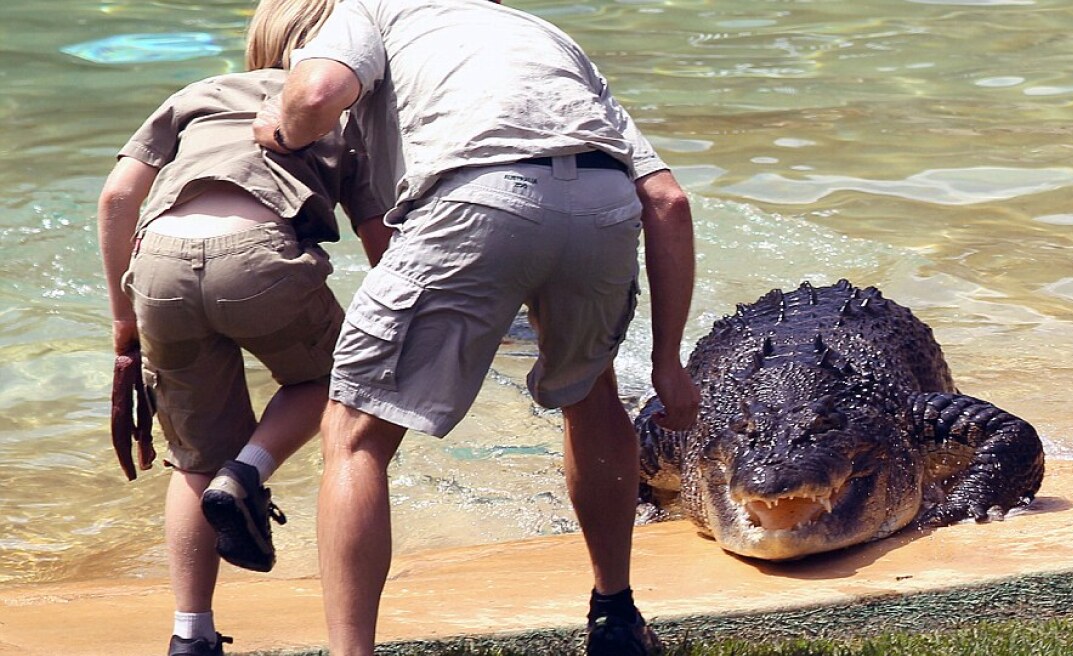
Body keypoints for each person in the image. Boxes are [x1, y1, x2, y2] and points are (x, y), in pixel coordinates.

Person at [251, 1, 701, 654]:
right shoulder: (541, 34)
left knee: (354, 433)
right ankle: (615, 618)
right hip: (601, 204)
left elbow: (318, 91)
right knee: (590, 394)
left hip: (475, 197)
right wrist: (668, 364)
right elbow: (667, 199)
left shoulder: (369, 8)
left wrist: (283, 130)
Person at [96, 0, 393, 654]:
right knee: (340, 381)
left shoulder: (199, 92)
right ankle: (250, 473)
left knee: (193, 459)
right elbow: (380, 245)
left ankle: (191, 635)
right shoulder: (342, 119)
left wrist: (126, 324)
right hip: (258, 257)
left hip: (158, 263)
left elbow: (118, 197)